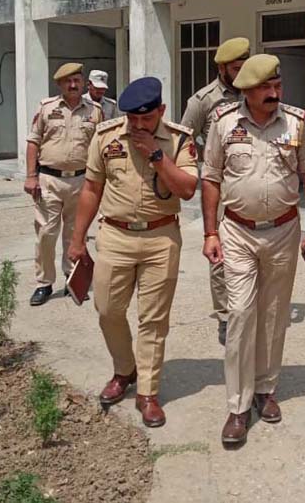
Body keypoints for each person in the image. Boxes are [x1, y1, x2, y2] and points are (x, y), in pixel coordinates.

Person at [201, 54, 305, 446]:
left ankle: (265, 389)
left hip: (285, 230)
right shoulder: (223, 124)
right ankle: (238, 405)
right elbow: (211, 179)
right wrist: (209, 233)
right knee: (239, 314)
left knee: (274, 314)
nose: (274, 93)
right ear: (247, 91)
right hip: (237, 231)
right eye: (266, 88)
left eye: (277, 86)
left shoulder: (296, 122)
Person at [67, 76, 198, 428]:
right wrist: (77, 239)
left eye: (146, 118)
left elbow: (187, 189)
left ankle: (148, 392)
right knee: (108, 308)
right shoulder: (106, 136)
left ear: (161, 111)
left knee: (153, 319)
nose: (138, 125)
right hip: (115, 236)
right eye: (133, 119)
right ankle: (124, 369)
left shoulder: (179, 139)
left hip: (161, 238)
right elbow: (92, 188)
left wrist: (157, 156)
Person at [181, 37, 250, 346]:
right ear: (222, 68)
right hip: (219, 188)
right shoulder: (203, 100)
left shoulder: (255, 89)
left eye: (244, 65)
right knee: (220, 252)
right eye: (236, 68)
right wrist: (193, 166)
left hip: (250, 183)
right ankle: (224, 315)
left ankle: (246, 305)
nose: (242, 72)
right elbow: (184, 139)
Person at [25, 63, 102, 306]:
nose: (73, 85)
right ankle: (44, 283)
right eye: (68, 81)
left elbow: (100, 147)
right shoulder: (47, 108)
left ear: (83, 83)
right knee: (47, 233)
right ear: (59, 84)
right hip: (49, 180)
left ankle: (73, 278)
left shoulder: (95, 110)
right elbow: (33, 142)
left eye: (77, 80)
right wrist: (30, 175)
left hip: (81, 180)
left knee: (75, 234)